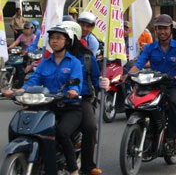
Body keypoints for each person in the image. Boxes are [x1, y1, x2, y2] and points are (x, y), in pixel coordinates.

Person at [4, 25, 83, 175]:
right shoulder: (45, 62)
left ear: (66, 41)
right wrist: (18, 91)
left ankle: (73, 169)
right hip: (47, 106)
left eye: (58, 38)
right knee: (20, 126)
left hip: (68, 106)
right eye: (52, 38)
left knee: (61, 132)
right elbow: (34, 80)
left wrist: (73, 91)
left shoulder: (74, 62)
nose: (54, 41)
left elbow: (76, 82)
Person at [126, 14, 176, 154]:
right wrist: (127, 75)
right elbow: (140, 63)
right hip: (152, 84)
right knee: (132, 102)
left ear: (171, 29)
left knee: (172, 103)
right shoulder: (149, 47)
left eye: (165, 28)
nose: (162, 31)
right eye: (159, 28)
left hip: (171, 84)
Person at [64, 21, 109, 175]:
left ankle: (87, 165)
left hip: (81, 98)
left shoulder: (87, 57)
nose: (58, 41)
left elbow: (95, 79)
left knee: (90, 127)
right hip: (54, 98)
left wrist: (103, 84)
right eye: (55, 37)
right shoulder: (52, 56)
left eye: (64, 37)